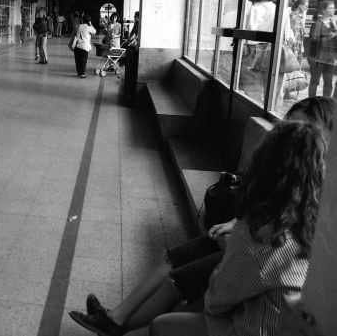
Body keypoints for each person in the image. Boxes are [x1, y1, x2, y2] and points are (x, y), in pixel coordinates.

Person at [70, 120, 327, 336]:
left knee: (164, 324)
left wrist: (227, 260)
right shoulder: (313, 226)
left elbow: (215, 304)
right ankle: (116, 320)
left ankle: (118, 325)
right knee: (178, 260)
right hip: (279, 322)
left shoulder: (259, 236)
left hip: (250, 327)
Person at [240, 0, 294, 111]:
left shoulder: (250, 10)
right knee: (275, 89)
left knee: (253, 89)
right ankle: (272, 116)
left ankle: (254, 115)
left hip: (254, 50)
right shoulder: (282, 11)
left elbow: (245, 32)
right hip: (276, 50)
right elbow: (287, 35)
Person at [309, 0, 337, 97]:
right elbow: (314, 40)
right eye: (331, 8)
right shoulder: (318, 23)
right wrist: (328, 36)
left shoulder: (334, 24)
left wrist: (335, 28)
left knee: (328, 83)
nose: (334, 9)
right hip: (318, 58)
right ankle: (312, 103)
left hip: (331, 59)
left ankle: (326, 104)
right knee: (315, 82)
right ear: (324, 10)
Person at [73, 14, 97, 78]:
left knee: (78, 60)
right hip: (84, 46)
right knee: (83, 61)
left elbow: (75, 33)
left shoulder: (79, 26)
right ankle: (82, 74)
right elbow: (94, 32)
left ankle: (79, 73)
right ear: (89, 21)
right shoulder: (89, 27)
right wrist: (91, 24)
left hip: (77, 45)